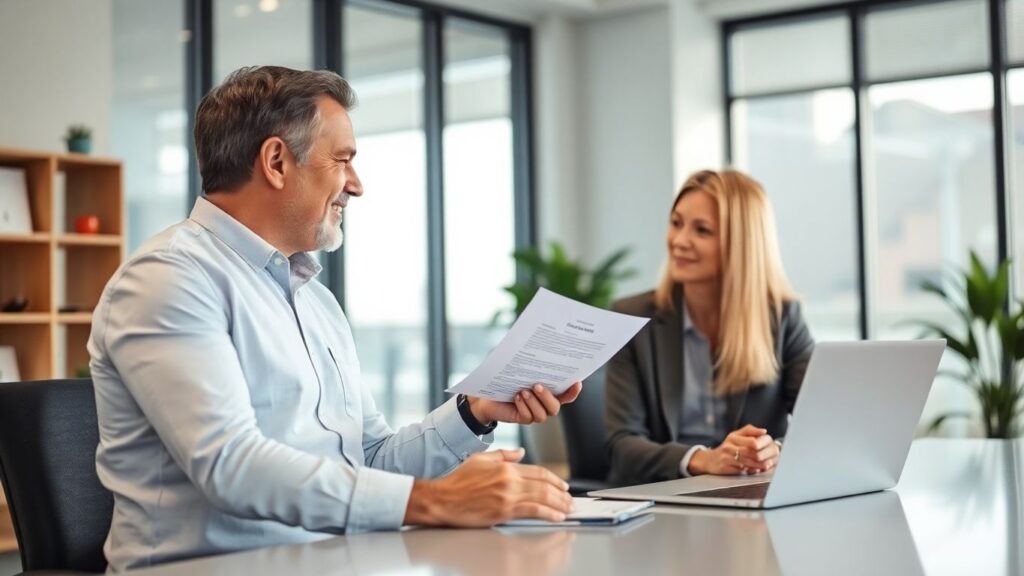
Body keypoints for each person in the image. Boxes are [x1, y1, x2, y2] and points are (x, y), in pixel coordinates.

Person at [88, 66, 581, 572]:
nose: (357, 185)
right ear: (277, 161)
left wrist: (474, 411)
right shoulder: (168, 278)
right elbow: (229, 464)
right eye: (342, 160)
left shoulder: (314, 301)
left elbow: (366, 459)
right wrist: (436, 501)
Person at [604, 169, 814, 487]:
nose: (679, 241)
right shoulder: (632, 318)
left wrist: (773, 452)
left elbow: (822, 425)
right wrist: (704, 459)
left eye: (701, 230)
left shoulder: (782, 318)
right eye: (676, 223)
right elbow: (623, 445)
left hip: (749, 494)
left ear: (741, 245)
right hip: (660, 496)